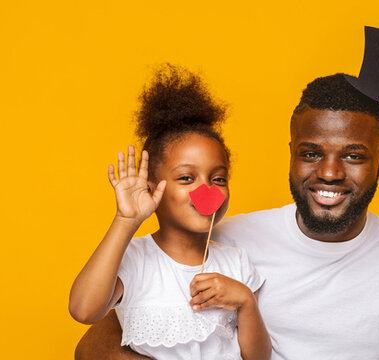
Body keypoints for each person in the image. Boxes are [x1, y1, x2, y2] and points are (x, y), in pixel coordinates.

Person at [76, 73, 379, 359]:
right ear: (291, 154)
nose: (329, 172)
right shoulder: (225, 241)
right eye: (311, 153)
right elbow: (96, 346)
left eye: (353, 156)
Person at [69, 64, 271, 360]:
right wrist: (126, 221)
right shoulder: (135, 259)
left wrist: (246, 303)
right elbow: (83, 310)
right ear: (153, 188)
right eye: (187, 178)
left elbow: (259, 357)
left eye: (218, 179)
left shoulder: (235, 261)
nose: (207, 191)